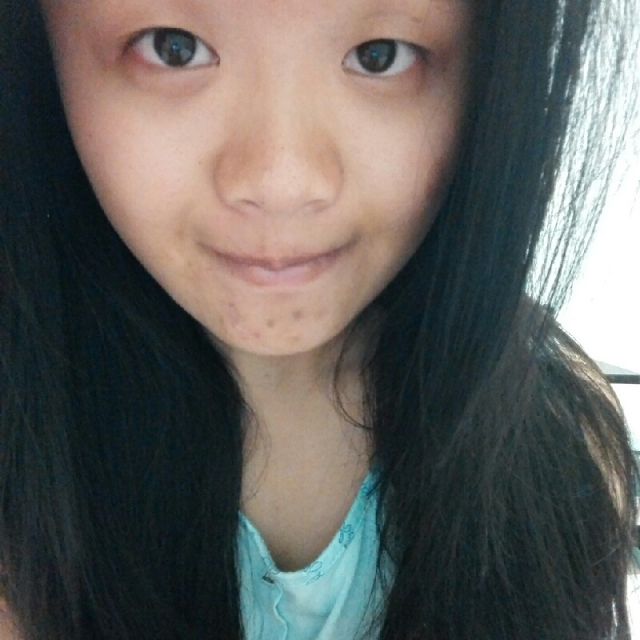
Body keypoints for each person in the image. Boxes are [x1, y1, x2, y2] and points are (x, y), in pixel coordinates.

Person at [0, 0, 638, 638]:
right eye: (174, 48)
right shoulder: (25, 470)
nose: (282, 184)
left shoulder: (564, 440)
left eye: (379, 57)